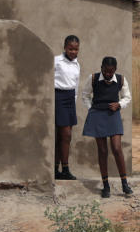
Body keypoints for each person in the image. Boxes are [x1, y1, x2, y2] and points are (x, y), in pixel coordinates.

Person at [81, 56, 132, 198]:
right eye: (106, 71)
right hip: (98, 115)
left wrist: (119, 104)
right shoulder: (93, 78)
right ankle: (106, 186)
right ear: (101, 67)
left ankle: (125, 184)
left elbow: (127, 97)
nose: (108, 74)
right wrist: (92, 109)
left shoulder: (121, 79)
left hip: (113, 114)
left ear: (115, 70)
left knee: (116, 148)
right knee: (102, 150)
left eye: (111, 72)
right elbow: (85, 95)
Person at [54, 35, 81, 181]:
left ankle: (58, 169)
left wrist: (74, 100)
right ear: (65, 47)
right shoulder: (56, 61)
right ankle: (63, 168)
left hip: (70, 99)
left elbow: (76, 86)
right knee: (65, 134)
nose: (73, 52)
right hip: (59, 97)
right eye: (70, 48)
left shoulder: (77, 65)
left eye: (76, 49)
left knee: (64, 136)